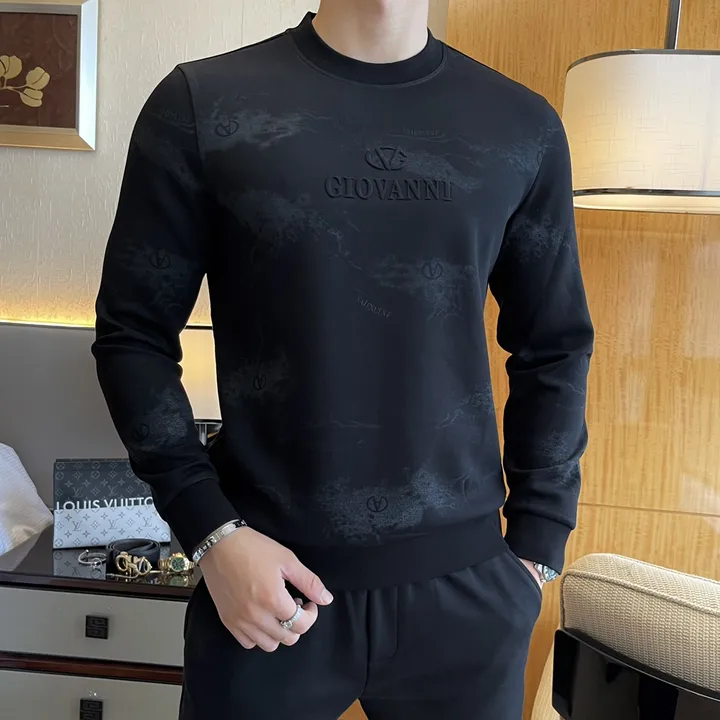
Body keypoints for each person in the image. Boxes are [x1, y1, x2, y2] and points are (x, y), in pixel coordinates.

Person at [92, 0, 594, 718]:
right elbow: (133, 334)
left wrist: (539, 544)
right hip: (265, 584)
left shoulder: (520, 125)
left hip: (467, 595)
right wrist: (210, 533)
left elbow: (554, 344)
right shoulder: (203, 104)